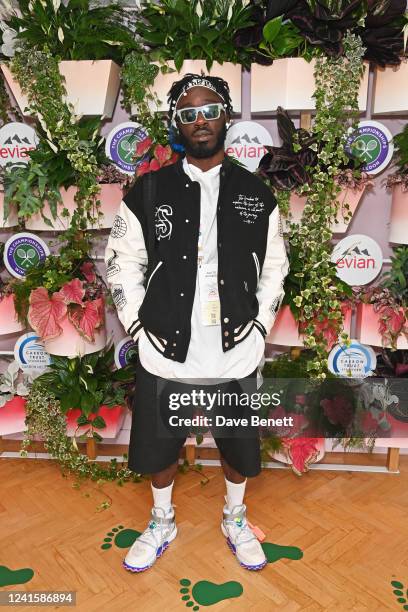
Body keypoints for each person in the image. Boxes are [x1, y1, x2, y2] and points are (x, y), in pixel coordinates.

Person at [104, 73, 289, 573]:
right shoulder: (147, 192)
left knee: (236, 442)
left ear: (226, 116)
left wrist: (260, 327)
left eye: (209, 109)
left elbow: (275, 267)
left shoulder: (257, 194)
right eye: (188, 112)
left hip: (234, 345)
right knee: (161, 442)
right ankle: (161, 520)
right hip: (165, 343)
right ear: (176, 124)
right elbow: (121, 262)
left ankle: (235, 516)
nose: (200, 119)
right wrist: (140, 328)